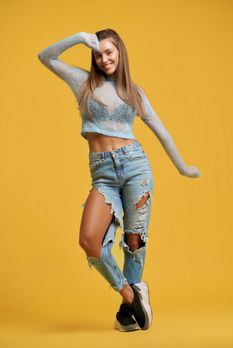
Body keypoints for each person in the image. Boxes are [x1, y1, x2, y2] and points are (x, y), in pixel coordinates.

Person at [37, 28, 201, 332]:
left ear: (120, 53)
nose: (104, 58)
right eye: (99, 54)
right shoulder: (83, 83)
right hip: (103, 173)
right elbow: (45, 57)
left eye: (109, 52)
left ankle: (128, 316)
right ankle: (131, 296)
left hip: (136, 166)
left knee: (134, 241)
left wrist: (182, 167)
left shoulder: (134, 93)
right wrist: (77, 37)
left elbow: (160, 130)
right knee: (89, 239)